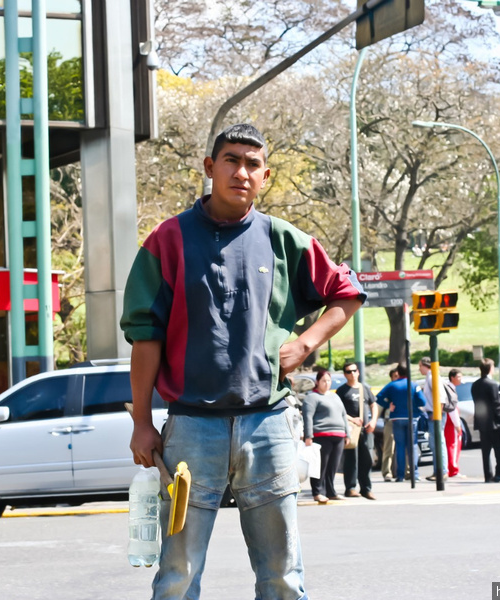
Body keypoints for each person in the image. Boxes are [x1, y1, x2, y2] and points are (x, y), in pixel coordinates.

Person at [121, 123, 365, 600]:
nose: (242, 172)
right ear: (210, 168)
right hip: (191, 428)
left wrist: (306, 343)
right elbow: (144, 337)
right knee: (177, 576)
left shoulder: (282, 239)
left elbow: (347, 293)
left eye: (253, 164)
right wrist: (143, 423)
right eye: (231, 160)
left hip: (268, 426)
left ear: (266, 175)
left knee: (282, 576)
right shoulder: (167, 240)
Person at [302, 369, 350, 503]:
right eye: (323, 381)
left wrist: (347, 433)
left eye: (329, 381)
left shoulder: (335, 396)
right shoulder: (312, 397)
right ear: (317, 382)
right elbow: (308, 417)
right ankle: (317, 492)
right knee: (320, 466)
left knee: (333, 466)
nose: (327, 383)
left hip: (339, 434)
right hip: (321, 434)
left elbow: (343, 415)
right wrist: (308, 435)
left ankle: (331, 491)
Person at [376, 365, 427, 482]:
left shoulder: (392, 385)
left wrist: (389, 404)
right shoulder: (414, 385)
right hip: (411, 418)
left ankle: (400, 476)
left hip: (396, 418)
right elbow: (422, 401)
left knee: (399, 446)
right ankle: (414, 473)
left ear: (398, 372)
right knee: (412, 446)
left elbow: (379, 398)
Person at [336, 361, 378, 500]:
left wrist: (373, 421)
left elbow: (374, 405)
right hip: (351, 430)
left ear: (358, 372)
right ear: (345, 374)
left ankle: (366, 488)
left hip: (365, 430)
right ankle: (350, 488)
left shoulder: (364, 388)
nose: (352, 373)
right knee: (351, 459)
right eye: (348, 371)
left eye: (354, 370)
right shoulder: (342, 391)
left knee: (366, 459)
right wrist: (352, 419)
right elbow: (338, 410)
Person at [470, 358, 500, 483]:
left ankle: (488, 475)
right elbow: (497, 404)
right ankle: (499, 474)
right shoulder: (492, 384)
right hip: (495, 423)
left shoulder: (475, 384)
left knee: (485, 452)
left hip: (481, 422)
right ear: (491, 369)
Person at [418, 357, 448, 481]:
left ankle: (442, 471)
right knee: (434, 443)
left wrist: (437, 414)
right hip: (433, 413)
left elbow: (441, 397)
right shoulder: (430, 377)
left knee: (438, 443)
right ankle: (438, 470)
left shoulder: (432, 377)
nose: (419, 369)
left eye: (420, 366)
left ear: (425, 366)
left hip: (435, 414)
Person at [380, 367, 400, 482]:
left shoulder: (403, 387)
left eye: (398, 376)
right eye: (395, 376)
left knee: (404, 448)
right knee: (389, 448)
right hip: (390, 421)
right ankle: (387, 472)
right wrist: (388, 406)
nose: (397, 378)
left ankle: (405, 472)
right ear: (391, 378)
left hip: (402, 420)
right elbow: (379, 400)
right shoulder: (388, 389)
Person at [444, 369, 464, 478]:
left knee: (449, 445)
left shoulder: (450, 388)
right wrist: (457, 425)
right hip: (451, 422)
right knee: (453, 445)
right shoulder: (450, 389)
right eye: (459, 377)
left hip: (448, 421)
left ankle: (450, 468)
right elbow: (452, 409)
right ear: (452, 377)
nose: (460, 379)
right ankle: (453, 470)